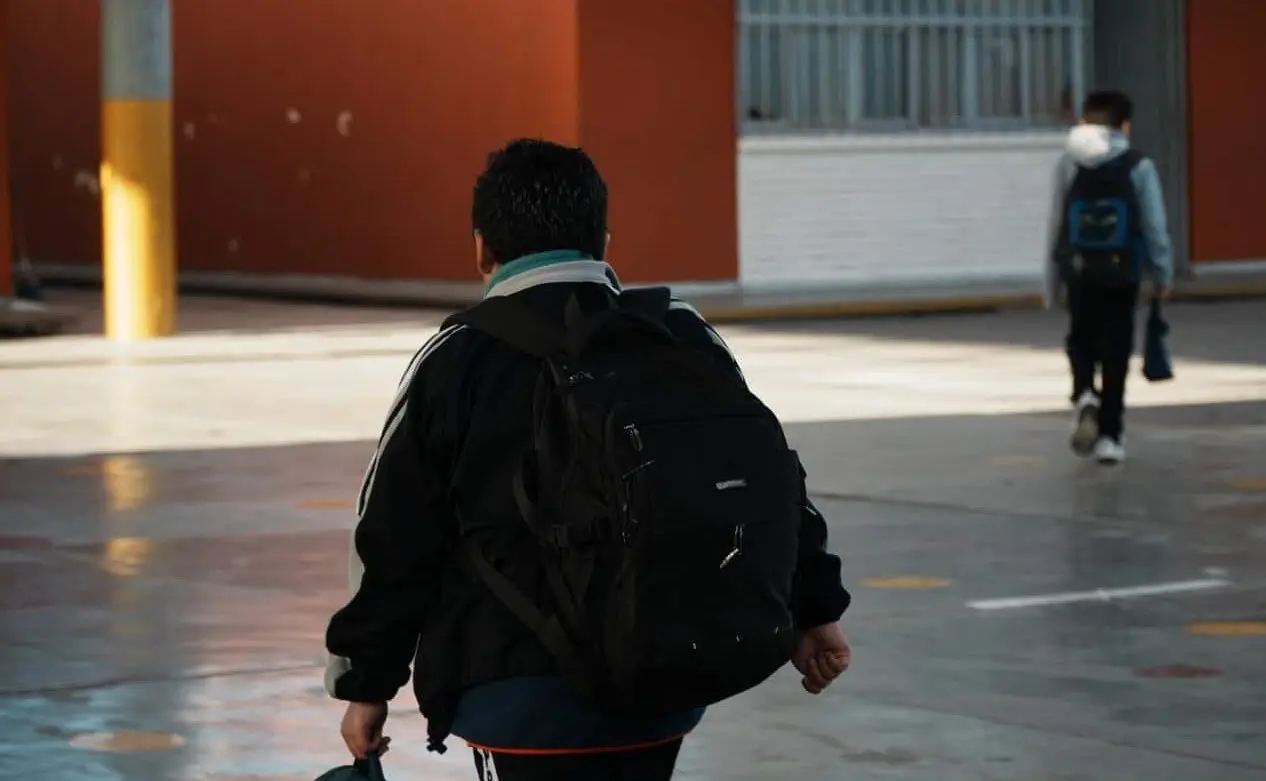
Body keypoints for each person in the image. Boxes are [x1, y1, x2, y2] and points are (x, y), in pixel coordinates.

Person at [324, 138, 853, 780]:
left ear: (482, 250)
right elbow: (766, 480)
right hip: (668, 676)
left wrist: (366, 680)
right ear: (603, 242)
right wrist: (813, 608)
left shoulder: (457, 359)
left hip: (516, 692)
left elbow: (393, 535)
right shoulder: (681, 334)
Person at [1043, 90, 1174, 464]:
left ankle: (1085, 393)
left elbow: (1056, 223)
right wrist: (1162, 272)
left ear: (1084, 121)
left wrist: (1052, 282)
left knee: (1080, 337)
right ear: (1125, 125)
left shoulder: (1068, 163)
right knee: (1116, 348)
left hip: (1079, 269)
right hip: (1122, 270)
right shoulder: (1138, 165)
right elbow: (1155, 225)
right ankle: (1110, 437)